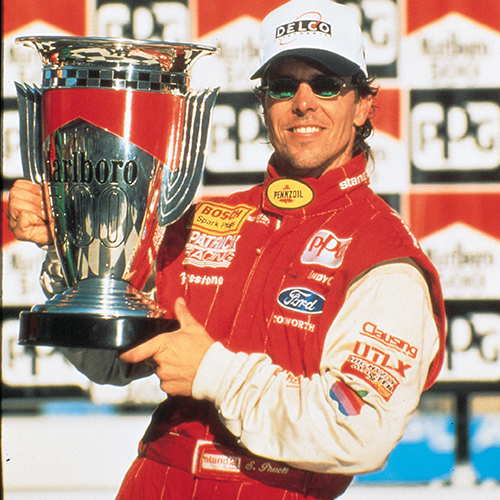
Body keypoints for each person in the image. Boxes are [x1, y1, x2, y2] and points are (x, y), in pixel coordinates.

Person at [7, 0, 446, 498]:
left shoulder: (384, 256)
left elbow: (356, 429)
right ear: (263, 102)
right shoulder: (204, 222)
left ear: (365, 103)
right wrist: (73, 256)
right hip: (154, 482)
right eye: (283, 85)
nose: (303, 102)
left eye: (326, 84)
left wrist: (213, 371)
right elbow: (111, 361)